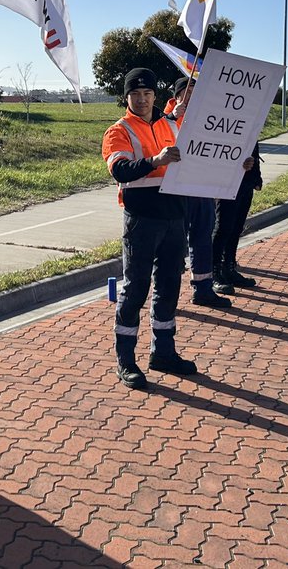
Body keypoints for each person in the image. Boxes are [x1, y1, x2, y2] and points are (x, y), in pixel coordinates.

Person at [102, 68, 197, 390]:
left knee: (169, 286)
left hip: (174, 215)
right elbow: (120, 169)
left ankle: (163, 352)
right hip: (142, 218)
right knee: (135, 289)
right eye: (135, 94)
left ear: (156, 96)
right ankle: (126, 361)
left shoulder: (172, 123)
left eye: (147, 94)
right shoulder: (120, 130)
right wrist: (155, 160)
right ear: (126, 97)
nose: (141, 100)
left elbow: (197, 156)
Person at [165, 76, 232, 307]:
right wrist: (174, 115)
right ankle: (164, 294)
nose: (194, 97)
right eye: (189, 92)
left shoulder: (208, 117)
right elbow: (156, 136)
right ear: (177, 96)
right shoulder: (163, 119)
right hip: (175, 190)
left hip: (201, 186)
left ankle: (202, 288)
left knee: (202, 238)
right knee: (172, 243)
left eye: (197, 92)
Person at [212, 143, 262, 287]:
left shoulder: (251, 123)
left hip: (246, 183)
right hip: (227, 183)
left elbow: (254, 150)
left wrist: (256, 176)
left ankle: (229, 267)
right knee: (223, 228)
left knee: (236, 228)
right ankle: (214, 271)